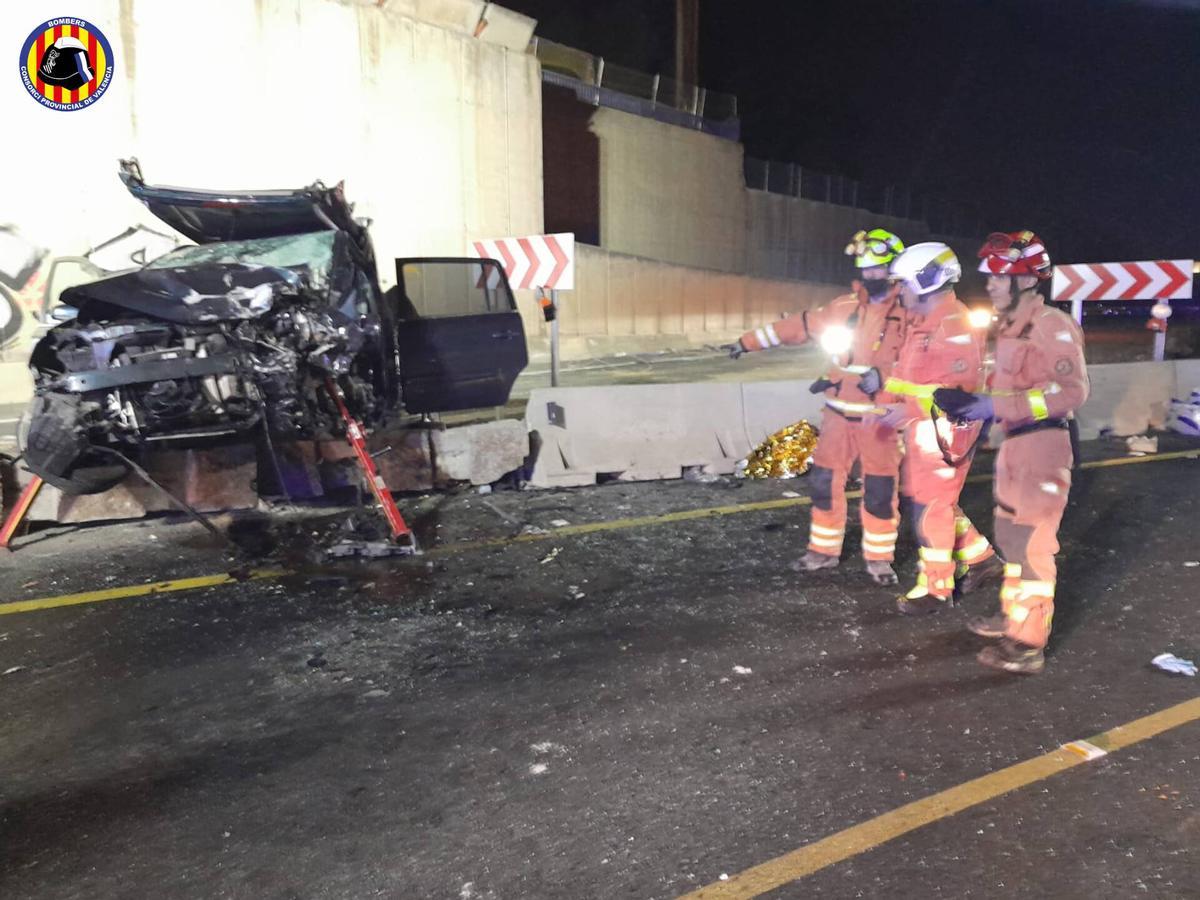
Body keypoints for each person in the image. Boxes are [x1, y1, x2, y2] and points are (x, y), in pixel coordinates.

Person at [935, 231, 1089, 674]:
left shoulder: (1051, 325)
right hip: (1016, 445)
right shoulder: (1009, 328)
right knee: (1011, 538)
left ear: (1026, 280)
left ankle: (1027, 643)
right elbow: (1007, 389)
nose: (991, 285)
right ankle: (1014, 617)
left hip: (1043, 445)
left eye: (1000, 277)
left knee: (1033, 545)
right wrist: (974, 408)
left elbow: (1072, 391)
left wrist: (993, 406)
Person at [723, 229, 908, 585]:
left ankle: (879, 559)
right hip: (838, 414)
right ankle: (822, 551)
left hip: (880, 420)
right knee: (824, 482)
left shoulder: (911, 314)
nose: (871, 275)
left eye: (878, 268)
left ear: (894, 268)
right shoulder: (844, 307)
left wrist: (885, 376)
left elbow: (921, 363)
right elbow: (800, 325)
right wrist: (747, 342)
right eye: (865, 269)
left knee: (880, 490)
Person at [866, 242, 1003, 613]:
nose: (899, 290)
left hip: (945, 431)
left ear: (926, 281)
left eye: (904, 283)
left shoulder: (953, 325)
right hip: (927, 427)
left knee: (931, 507)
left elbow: (956, 394)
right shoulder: (926, 322)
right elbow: (912, 378)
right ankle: (982, 559)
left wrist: (904, 409)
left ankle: (936, 588)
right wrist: (884, 394)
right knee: (934, 501)